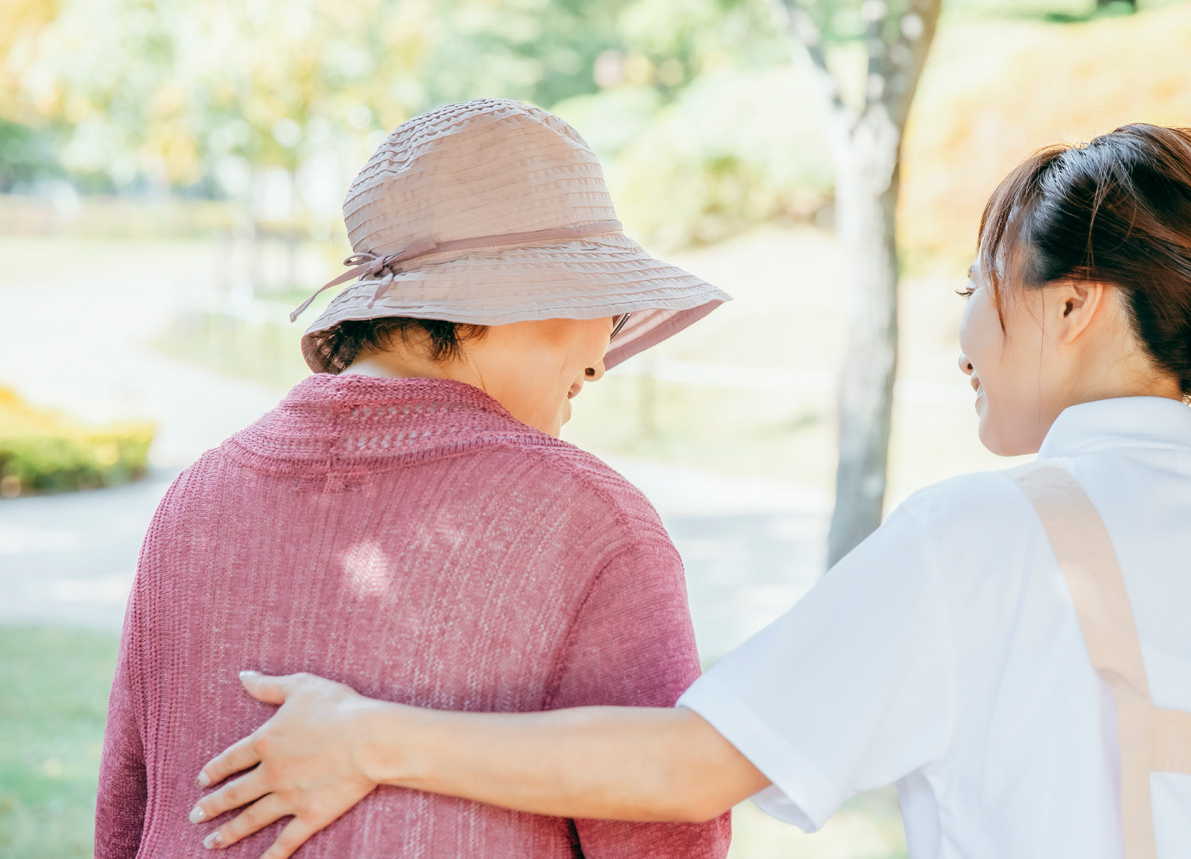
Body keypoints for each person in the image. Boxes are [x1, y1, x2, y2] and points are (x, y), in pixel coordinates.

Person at [189, 124, 1191, 859]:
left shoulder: (989, 537)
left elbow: (689, 765)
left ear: (1074, 304)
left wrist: (367, 740)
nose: (964, 330)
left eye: (976, 287)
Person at [94, 99, 734, 858]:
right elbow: (666, 838)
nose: (602, 358)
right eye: (606, 304)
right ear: (517, 301)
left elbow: (126, 817)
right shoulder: (588, 521)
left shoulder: (196, 497)